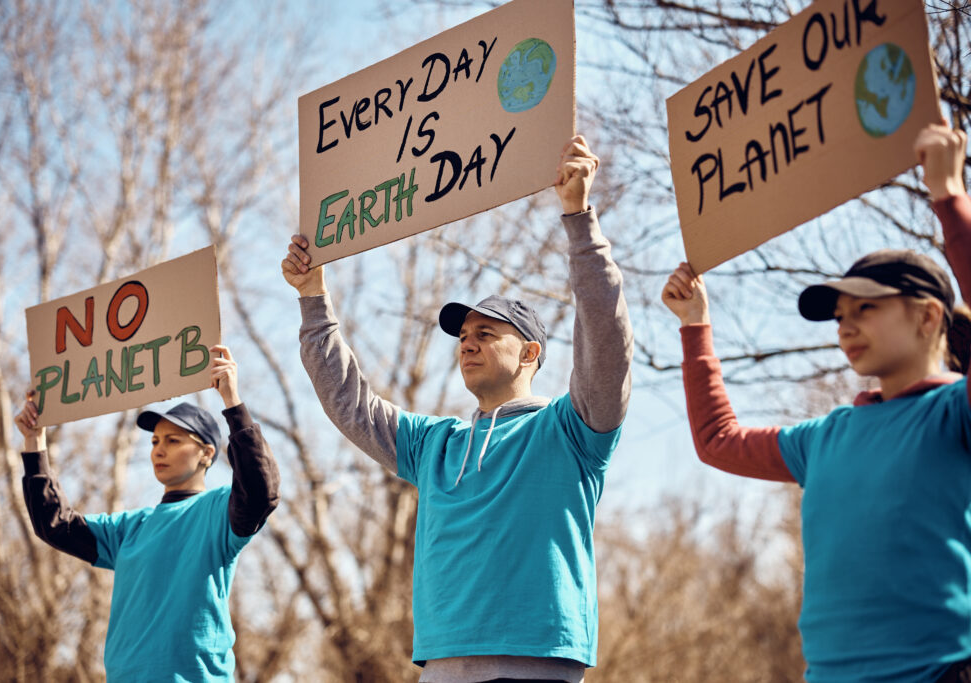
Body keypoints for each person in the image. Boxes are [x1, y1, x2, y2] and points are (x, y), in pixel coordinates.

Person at [281, 136, 632, 682]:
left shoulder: (571, 429)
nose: (466, 342)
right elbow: (349, 403)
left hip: (538, 665)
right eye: (463, 334)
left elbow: (606, 342)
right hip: (441, 666)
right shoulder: (432, 444)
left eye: (485, 333)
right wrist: (311, 297)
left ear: (530, 353)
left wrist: (578, 219)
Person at [661, 123, 971, 682]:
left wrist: (949, 199)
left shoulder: (955, 413)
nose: (846, 327)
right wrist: (694, 326)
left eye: (867, 309)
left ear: (928, 317)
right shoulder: (825, 437)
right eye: (840, 316)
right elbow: (717, 443)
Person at [15, 345, 280, 682]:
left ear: (206, 453)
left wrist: (231, 399)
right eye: (155, 442)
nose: (159, 450)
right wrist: (34, 441)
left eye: (172, 440)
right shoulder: (129, 528)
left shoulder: (218, 511)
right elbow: (55, 524)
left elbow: (261, 490)